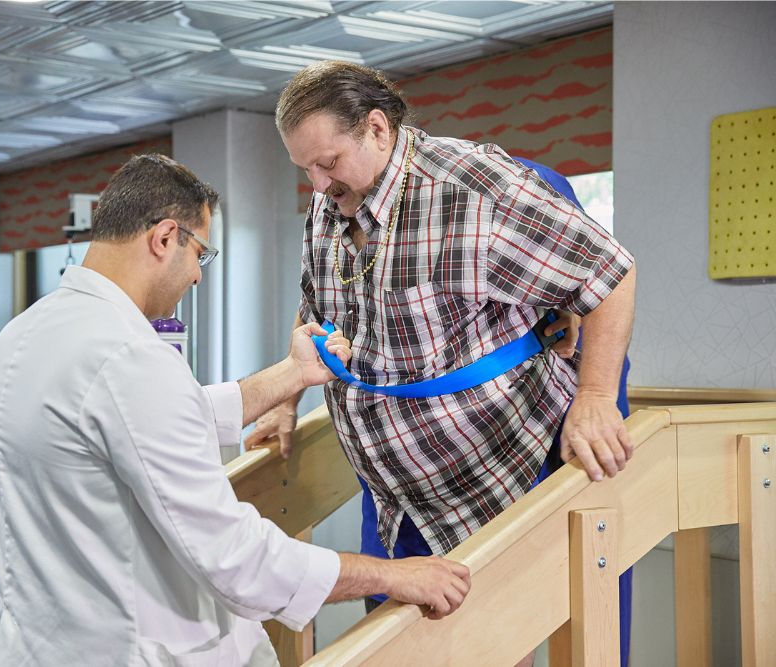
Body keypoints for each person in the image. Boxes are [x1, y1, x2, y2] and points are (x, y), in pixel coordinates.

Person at [0, 154, 471, 666]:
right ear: (165, 238)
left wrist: (293, 374)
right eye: (201, 253)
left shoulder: (27, 332)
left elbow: (160, 420)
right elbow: (235, 558)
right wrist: (394, 573)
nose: (197, 276)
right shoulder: (130, 358)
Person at [247, 61, 636, 664]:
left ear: (377, 128)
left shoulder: (471, 189)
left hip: (503, 468)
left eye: (328, 163)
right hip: (396, 494)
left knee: (504, 643)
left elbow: (610, 273)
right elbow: (317, 311)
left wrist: (595, 398)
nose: (318, 186)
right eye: (305, 170)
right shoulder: (330, 206)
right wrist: (284, 400)